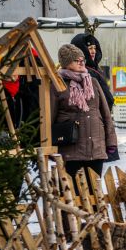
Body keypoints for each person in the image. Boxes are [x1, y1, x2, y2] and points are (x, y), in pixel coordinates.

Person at [51, 44, 117, 179]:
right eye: (77, 60)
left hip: (96, 148)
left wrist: (111, 141)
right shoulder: (58, 84)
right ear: (66, 63)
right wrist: (49, 145)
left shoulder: (92, 82)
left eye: (83, 60)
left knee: (95, 193)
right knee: (74, 193)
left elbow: (105, 113)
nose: (82, 63)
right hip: (71, 150)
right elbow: (50, 116)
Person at [70, 33, 113, 110]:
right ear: (81, 51)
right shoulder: (87, 73)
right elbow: (107, 100)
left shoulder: (94, 69)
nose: (94, 51)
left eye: (94, 48)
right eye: (90, 48)